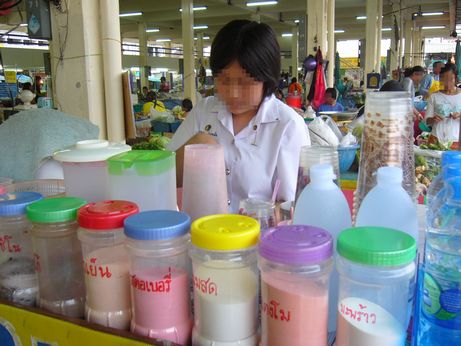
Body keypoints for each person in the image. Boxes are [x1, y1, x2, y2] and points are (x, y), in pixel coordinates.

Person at [167, 20, 310, 212]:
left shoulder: (287, 125)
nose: (233, 93)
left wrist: (260, 217)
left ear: (265, 78)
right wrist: (197, 146)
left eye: (244, 83)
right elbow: (166, 174)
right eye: (224, 80)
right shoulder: (204, 112)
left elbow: (292, 205)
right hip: (203, 235)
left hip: (256, 238)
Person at [425, 63, 461, 145]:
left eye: (450, 79)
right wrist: (433, 119)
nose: (447, 83)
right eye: (443, 79)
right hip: (436, 139)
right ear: (440, 78)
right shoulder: (434, 96)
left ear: (455, 78)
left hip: (457, 141)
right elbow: (427, 121)